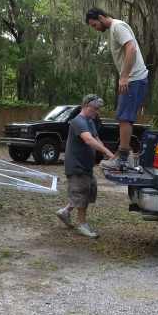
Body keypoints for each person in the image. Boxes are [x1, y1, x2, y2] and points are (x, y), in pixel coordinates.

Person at [85, 8, 149, 170]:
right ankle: (122, 156)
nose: (95, 28)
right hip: (134, 79)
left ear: (100, 17)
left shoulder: (117, 27)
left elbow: (131, 48)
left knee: (124, 117)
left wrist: (124, 76)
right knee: (123, 117)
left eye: (94, 25)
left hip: (133, 79)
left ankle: (122, 159)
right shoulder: (115, 29)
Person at [56, 94, 117, 238]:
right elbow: (88, 140)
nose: (97, 112)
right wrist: (109, 153)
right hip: (76, 165)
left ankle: (65, 212)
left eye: (98, 109)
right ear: (85, 106)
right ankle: (82, 225)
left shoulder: (90, 121)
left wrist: (109, 157)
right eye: (95, 108)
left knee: (88, 190)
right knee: (82, 192)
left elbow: (96, 139)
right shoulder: (78, 121)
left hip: (86, 166)